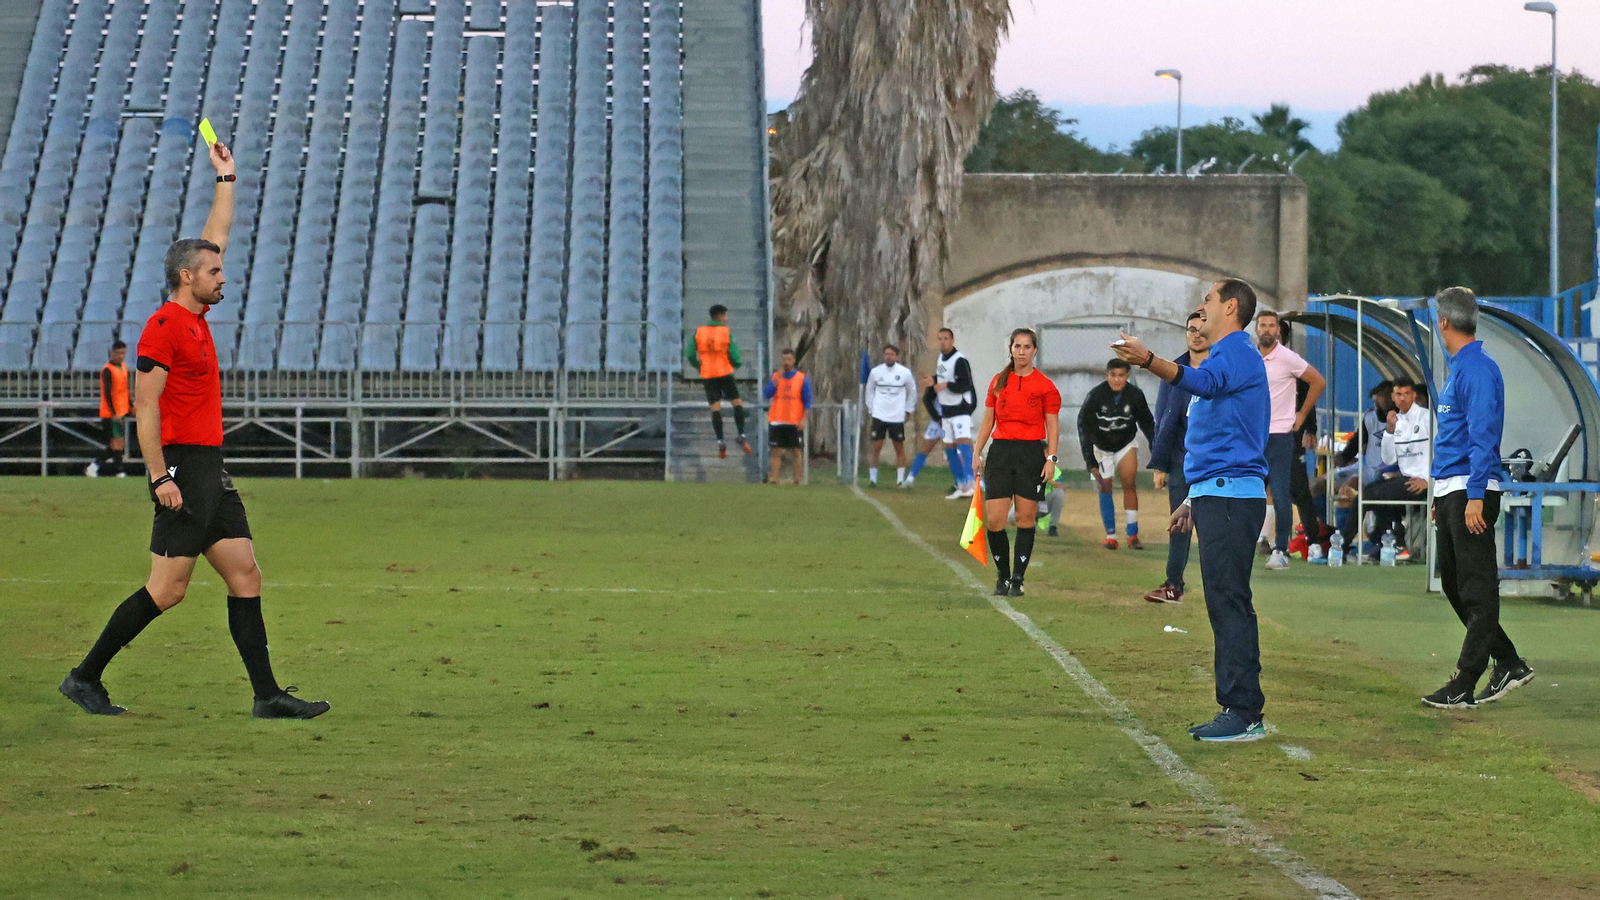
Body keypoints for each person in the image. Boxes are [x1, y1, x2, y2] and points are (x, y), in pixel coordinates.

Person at [59, 140, 328, 719]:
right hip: (182, 465)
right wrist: (159, 476)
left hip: (210, 467)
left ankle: (267, 696)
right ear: (187, 277)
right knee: (168, 589)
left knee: (245, 574)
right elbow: (145, 406)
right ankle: (84, 677)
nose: (222, 275)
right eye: (212, 271)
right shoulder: (163, 328)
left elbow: (216, 235)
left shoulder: (196, 314)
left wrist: (226, 178)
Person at [1112, 278, 1270, 743]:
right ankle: (1241, 708)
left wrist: (1147, 360)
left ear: (1231, 307)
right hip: (1216, 495)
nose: (1201, 307)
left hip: (1231, 498)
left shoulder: (1236, 351)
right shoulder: (1227, 354)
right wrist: (1192, 497)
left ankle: (1242, 711)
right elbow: (1220, 437)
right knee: (1227, 602)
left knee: (1229, 604)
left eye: (1209, 300)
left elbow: (1202, 382)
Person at [1422, 287, 1534, 709]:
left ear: (1444, 322)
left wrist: (1473, 494)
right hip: (1453, 489)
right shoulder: (1462, 368)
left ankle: (1466, 681)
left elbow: (1484, 436)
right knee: (1455, 585)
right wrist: (1439, 491)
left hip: (1472, 490)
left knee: (1476, 590)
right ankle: (1508, 662)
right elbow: (1454, 439)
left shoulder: (1478, 369)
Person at [972, 328, 1060, 597]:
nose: (1021, 352)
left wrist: (1051, 459)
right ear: (1010, 349)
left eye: (1026, 347)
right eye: (1017, 346)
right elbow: (988, 420)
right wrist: (978, 452)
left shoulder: (1046, 386)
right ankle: (1002, 576)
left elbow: (1052, 426)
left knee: (1025, 518)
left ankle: (1018, 579)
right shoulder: (998, 382)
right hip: (1000, 453)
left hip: (1030, 454)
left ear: (1034, 350)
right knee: (995, 520)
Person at [1143, 312, 1209, 604]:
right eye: (1190, 329)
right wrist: (1160, 463)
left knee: (1212, 528)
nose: (1196, 334)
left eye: (1201, 329)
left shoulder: (1220, 369)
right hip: (1182, 461)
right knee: (1179, 524)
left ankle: (1217, 587)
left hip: (1215, 461)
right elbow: (1163, 418)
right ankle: (1173, 584)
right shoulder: (1173, 370)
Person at [1255, 309, 1325, 570]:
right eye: (1263, 325)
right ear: (1256, 329)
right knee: (1249, 492)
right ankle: (1248, 541)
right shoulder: (1250, 358)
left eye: (1272, 326)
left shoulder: (1287, 357)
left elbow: (1317, 382)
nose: (1267, 330)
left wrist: (1302, 415)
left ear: (1278, 330)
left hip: (1281, 436)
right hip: (1253, 435)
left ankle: (1280, 550)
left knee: (1282, 493)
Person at [1339, 378, 1430, 560]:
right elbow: (1389, 458)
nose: (1402, 398)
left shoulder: (1429, 418)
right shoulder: (1398, 421)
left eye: (1407, 394)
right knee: (1373, 491)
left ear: (1413, 396)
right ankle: (1388, 541)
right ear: (1393, 398)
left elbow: (1441, 451)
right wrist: (1389, 431)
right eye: (1398, 394)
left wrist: (1428, 480)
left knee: (1370, 494)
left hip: (1425, 482)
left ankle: (1344, 547)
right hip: (1406, 479)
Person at [1078, 359, 1155, 550]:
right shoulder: (1095, 396)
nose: (1117, 379)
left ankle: (1133, 534)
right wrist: (1090, 461)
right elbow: (1084, 427)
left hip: (1125, 444)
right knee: (1105, 488)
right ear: (1107, 375)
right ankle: (1111, 536)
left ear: (1127, 376)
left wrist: (1157, 451)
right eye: (1113, 375)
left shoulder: (1135, 396)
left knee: (1129, 482)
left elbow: (1148, 424)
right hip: (1101, 449)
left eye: (1121, 375)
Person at [686, 304, 749, 458]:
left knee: (715, 409)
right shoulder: (726, 332)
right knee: (737, 403)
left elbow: (689, 354)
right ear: (720, 316)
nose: (726, 319)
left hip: (708, 375)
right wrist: (734, 365)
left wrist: (699, 366)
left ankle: (720, 440)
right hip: (724, 372)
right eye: (725, 316)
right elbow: (734, 355)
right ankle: (741, 434)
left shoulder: (699, 332)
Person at [930, 327, 977, 499]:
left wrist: (947, 386)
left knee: (963, 443)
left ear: (952, 340)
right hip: (946, 410)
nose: (942, 342)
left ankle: (972, 483)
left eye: (946, 338)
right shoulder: (940, 359)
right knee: (949, 448)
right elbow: (942, 378)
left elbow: (966, 385)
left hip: (960, 409)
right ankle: (961, 483)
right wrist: (935, 382)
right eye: (940, 338)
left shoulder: (960, 360)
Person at [864, 345, 916, 487]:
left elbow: (912, 392)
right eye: (886, 354)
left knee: (899, 448)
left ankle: (900, 480)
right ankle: (873, 479)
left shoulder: (904, 373)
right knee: (876, 447)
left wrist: (908, 410)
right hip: (879, 415)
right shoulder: (876, 372)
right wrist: (871, 410)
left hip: (897, 416)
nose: (889, 356)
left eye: (892, 354)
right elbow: (869, 391)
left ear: (897, 357)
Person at [763, 349, 810, 484]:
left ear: (794, 360)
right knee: (776, 451)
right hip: (777, 419)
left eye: (789, 359)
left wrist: (804, 419)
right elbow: (767, 394)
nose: (786, 363)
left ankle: (797, 480)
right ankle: (775, 479)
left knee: (796, 451)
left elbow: (807, 400)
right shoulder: (776, 377)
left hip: (794, 420)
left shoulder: (801, 378)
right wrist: (777, 379)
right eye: (784, 359)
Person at [86, 340, 131, 478]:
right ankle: (97, 466)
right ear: (112, 353)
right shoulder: (108, 370)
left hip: (121, 410)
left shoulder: (123, 367)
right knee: (115, 444)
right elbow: (107, 392)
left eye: (123, 353)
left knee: (119, 443)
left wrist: (131, 405)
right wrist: (113, 412)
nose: (120, 356)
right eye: (118, 353)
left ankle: (118, 469)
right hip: (111, 413)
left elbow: (124, 390)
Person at [901, 380, 947, 491]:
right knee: (925, 448)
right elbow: (927, 399)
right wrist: (937, 418)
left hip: (954, 419)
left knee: (961, 450)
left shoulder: (959, 379)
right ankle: (910, 479)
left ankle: (971, 481)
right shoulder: (937, 379)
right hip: (938, 420)